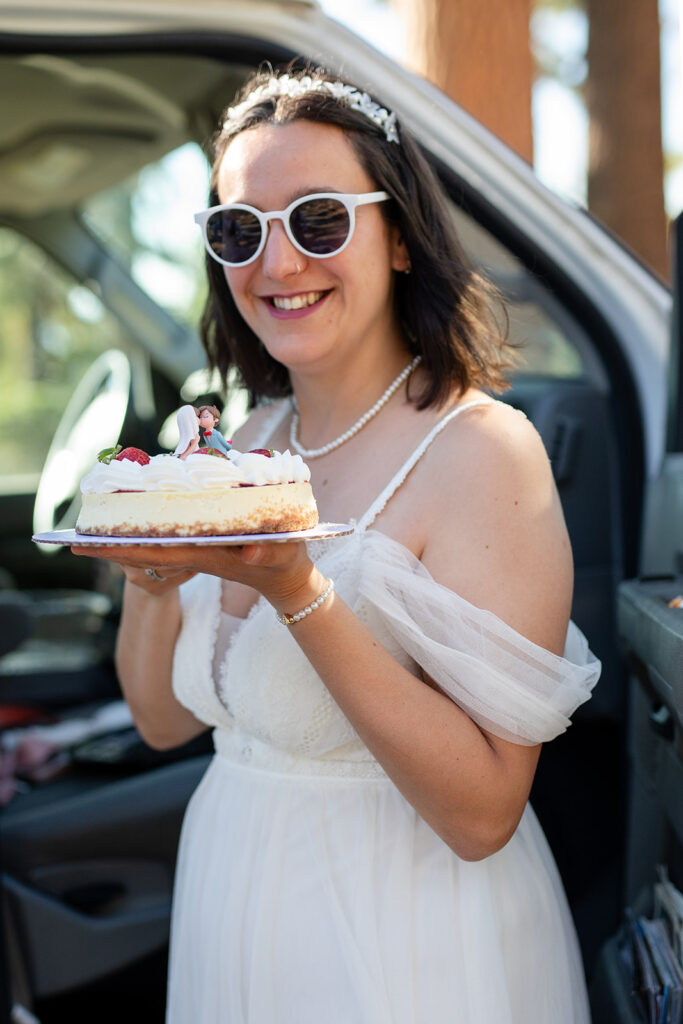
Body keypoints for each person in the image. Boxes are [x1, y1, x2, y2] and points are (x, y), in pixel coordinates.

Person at [72, 67, 601, 1023]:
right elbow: (164, 724)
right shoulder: (249, 443)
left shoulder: (481, 451)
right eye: (238, 229)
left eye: (318, 219)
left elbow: (482, 815)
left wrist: (299, 591)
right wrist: (151, 580)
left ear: (398, 236)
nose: (276, 264)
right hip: (232, 899)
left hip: (405, 939)